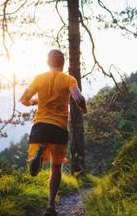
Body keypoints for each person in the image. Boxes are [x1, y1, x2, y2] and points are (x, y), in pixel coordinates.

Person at [20, 49, 87, 216]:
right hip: (59, 128)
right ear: (62, 64)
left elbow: (23, 99)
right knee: (56, 168)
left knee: (35, 161)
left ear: (48, 63)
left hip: (40, 125)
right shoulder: (68, 79)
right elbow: (78, 98)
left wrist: (35, 101)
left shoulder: (38, 78)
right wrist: (83, 109)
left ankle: (38, 156)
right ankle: (50, 206)